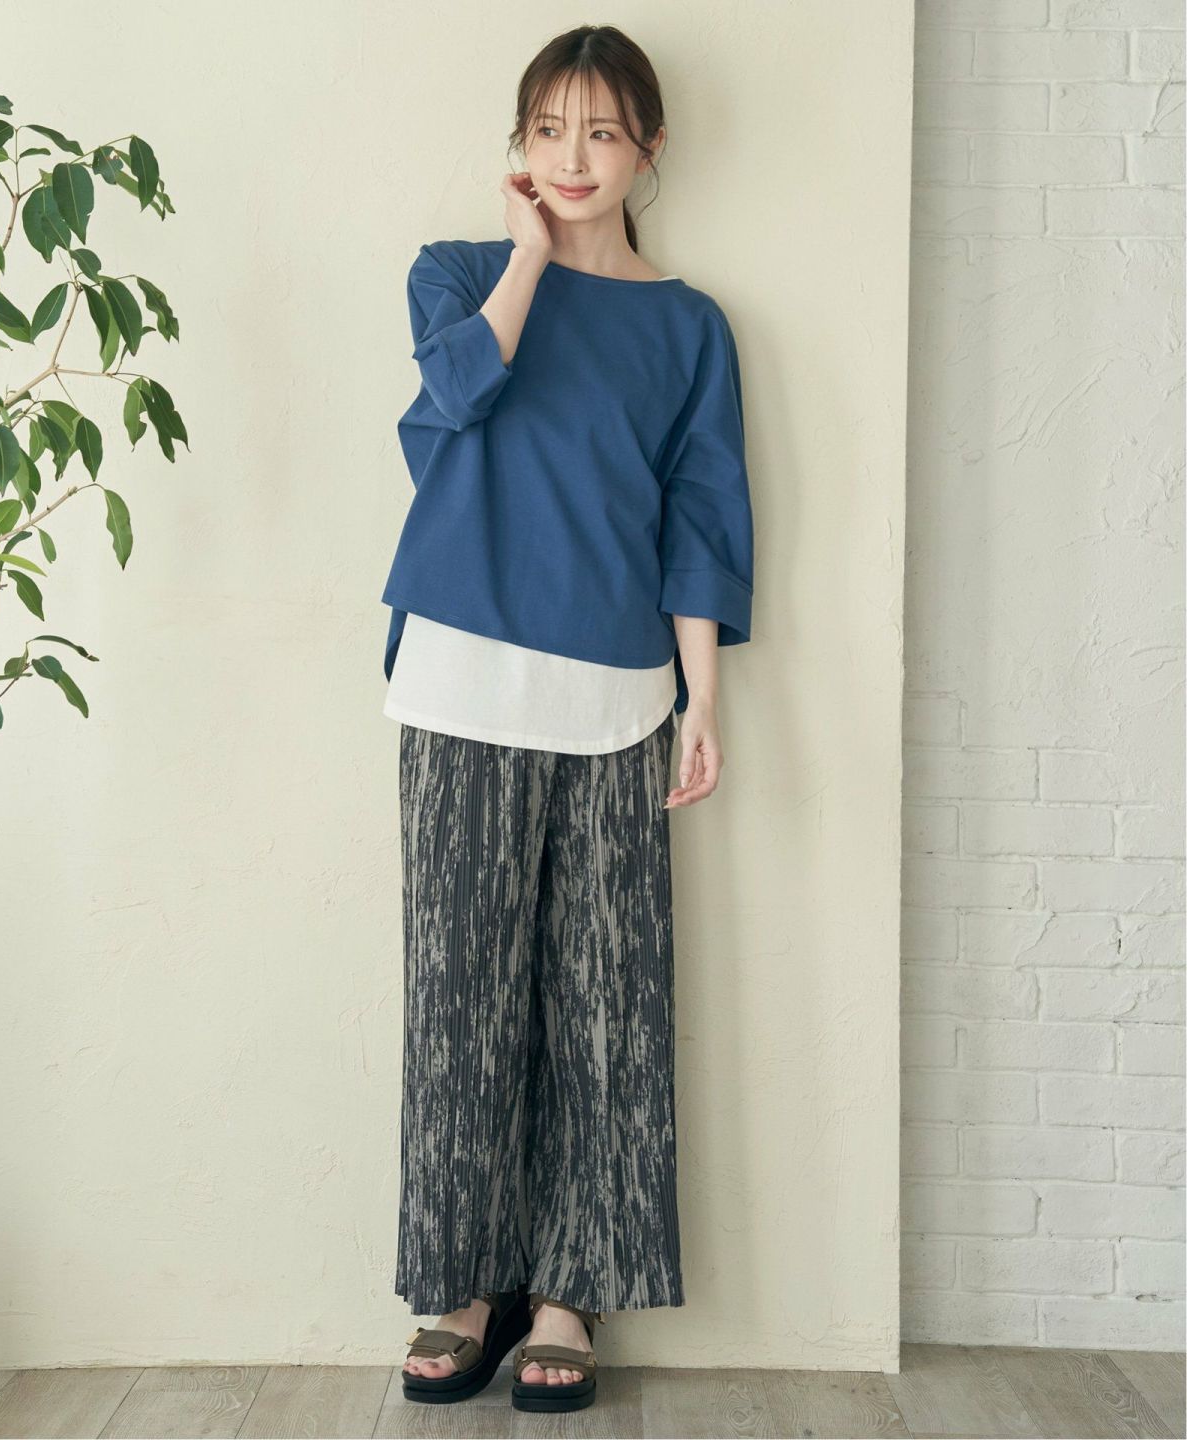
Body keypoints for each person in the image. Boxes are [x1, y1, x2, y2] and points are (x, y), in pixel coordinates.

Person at [378, 23, 754, 1414]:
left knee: (605, 1005)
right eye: (549, 130)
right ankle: (466, 1283)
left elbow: (701, 518)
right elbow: (457, 396)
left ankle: (569, 1293)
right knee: (459, 1000)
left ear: (649, 146)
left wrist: (703, 696)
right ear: (519, 147)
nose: (574, 157)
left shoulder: (689, 327)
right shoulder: (459, 275)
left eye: (601, 131)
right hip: (457, 684)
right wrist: (532, 255)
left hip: (617, 699)